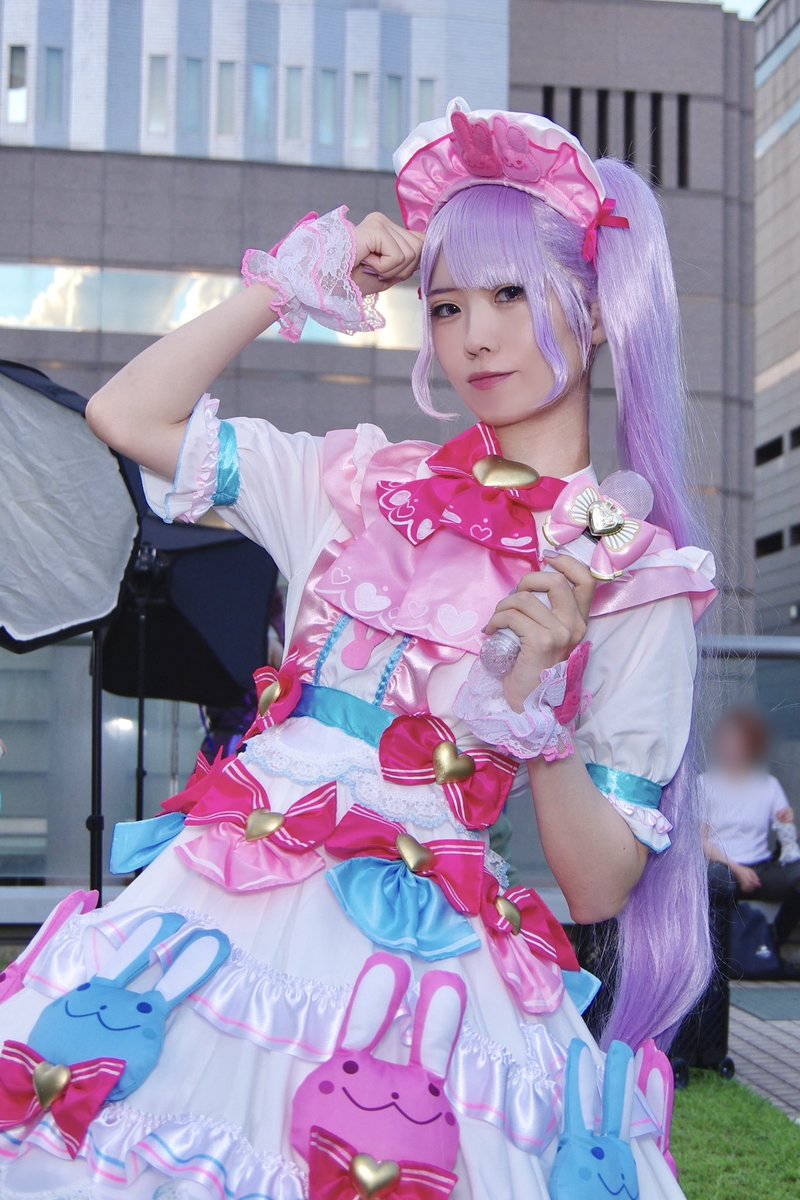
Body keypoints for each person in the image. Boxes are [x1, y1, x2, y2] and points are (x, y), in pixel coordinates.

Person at [0, 100, 718, 1199]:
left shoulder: (631, 572)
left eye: (512, 294)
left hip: (424, 981)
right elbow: (126, 415)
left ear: (596, 308)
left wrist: (538, 720)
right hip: (217, 926)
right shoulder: (355, 482)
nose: (474, 336)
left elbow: (595, 886)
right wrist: (290, 284)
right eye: (446, 303)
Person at [701, 708, 800, 962]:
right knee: (718, 879)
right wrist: (737, 869)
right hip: (723, 865)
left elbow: (787, 840)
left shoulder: (768, 785)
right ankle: (719, 960)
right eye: (728, 742)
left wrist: (787, 824)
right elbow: (700, 841)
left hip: (760, 868)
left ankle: (772, 942)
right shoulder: (705, 783)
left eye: (739, 742)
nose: (732, 748)